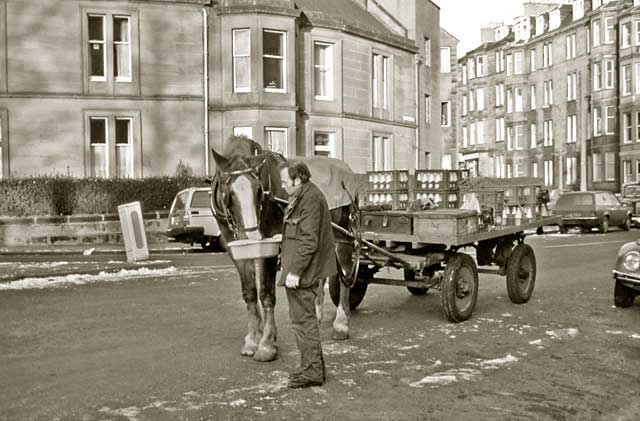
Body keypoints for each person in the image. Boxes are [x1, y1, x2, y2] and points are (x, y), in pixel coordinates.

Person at [278, 159, 337, 389]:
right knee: (303, 321)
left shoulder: (310, 199)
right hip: (303, 270)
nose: (283, 185)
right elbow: (298, 233)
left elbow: (309, 241)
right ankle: (312, 368)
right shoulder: (303, 196)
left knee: (303, 321)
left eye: (285, 181)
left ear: (299, 178)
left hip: (305, 273)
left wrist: (295, 272)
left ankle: (312, 372)